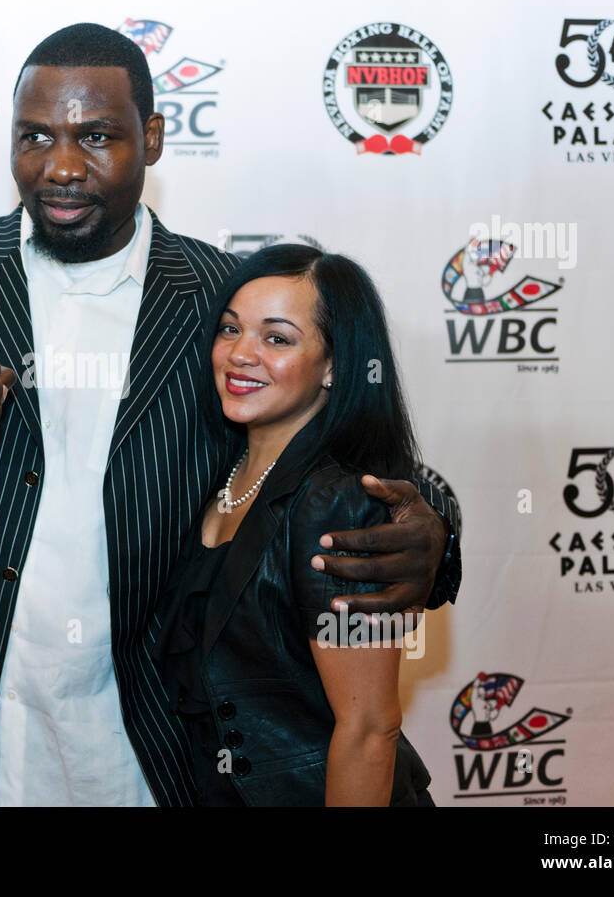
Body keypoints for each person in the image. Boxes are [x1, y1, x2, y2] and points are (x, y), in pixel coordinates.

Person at [0, 22, 460, 807]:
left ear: (151, 137)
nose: (62, 167)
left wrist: (436, 527)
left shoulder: (220, 302)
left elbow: (355, 451)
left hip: (155, 744)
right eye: (34, 137)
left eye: (97, 136)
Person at [151, 245, 433, 806]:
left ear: (333, 364)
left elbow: (369, 728)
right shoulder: (211, 474)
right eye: (230, 330)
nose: (240, 355)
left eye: (277, 338)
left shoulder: (343, 505)